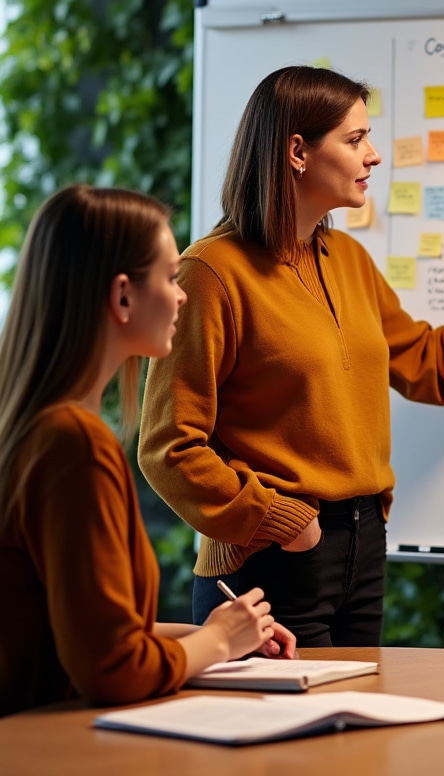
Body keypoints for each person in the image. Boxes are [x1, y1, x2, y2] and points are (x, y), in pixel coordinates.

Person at [138, 65, 444, 648]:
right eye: (354, 139)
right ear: (297, 151)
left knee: (352, 737)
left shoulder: (347, 258)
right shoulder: (211, 272)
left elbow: (429, 368)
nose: (372, 156)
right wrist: (282, 522)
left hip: (363, 545)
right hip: (270, 560)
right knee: (283, 739)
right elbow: (169, 448)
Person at [0, 185, 296, 718]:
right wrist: (218, 645)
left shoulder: (38, 430)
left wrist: (216, 634)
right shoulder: (74, 444)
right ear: (121, 296)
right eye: (169, 278)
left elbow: (92, 629)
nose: (182, 295)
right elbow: (111, 668)